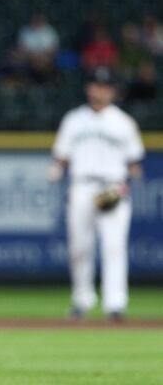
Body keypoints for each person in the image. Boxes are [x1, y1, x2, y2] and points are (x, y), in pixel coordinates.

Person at [48, 66, 144, 322]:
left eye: (105, 86)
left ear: (112, 90)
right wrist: (57, 168)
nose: (100, 90)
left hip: (112, 187)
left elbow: (135, 161)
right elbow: (61, 156)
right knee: (79, 247)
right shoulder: (73, 119)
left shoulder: (124, 122)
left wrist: (130, 179)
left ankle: (115, 304)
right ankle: (82, 300)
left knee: (114, 247)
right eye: (95, 85)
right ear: (88, 88)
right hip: (82, 185)